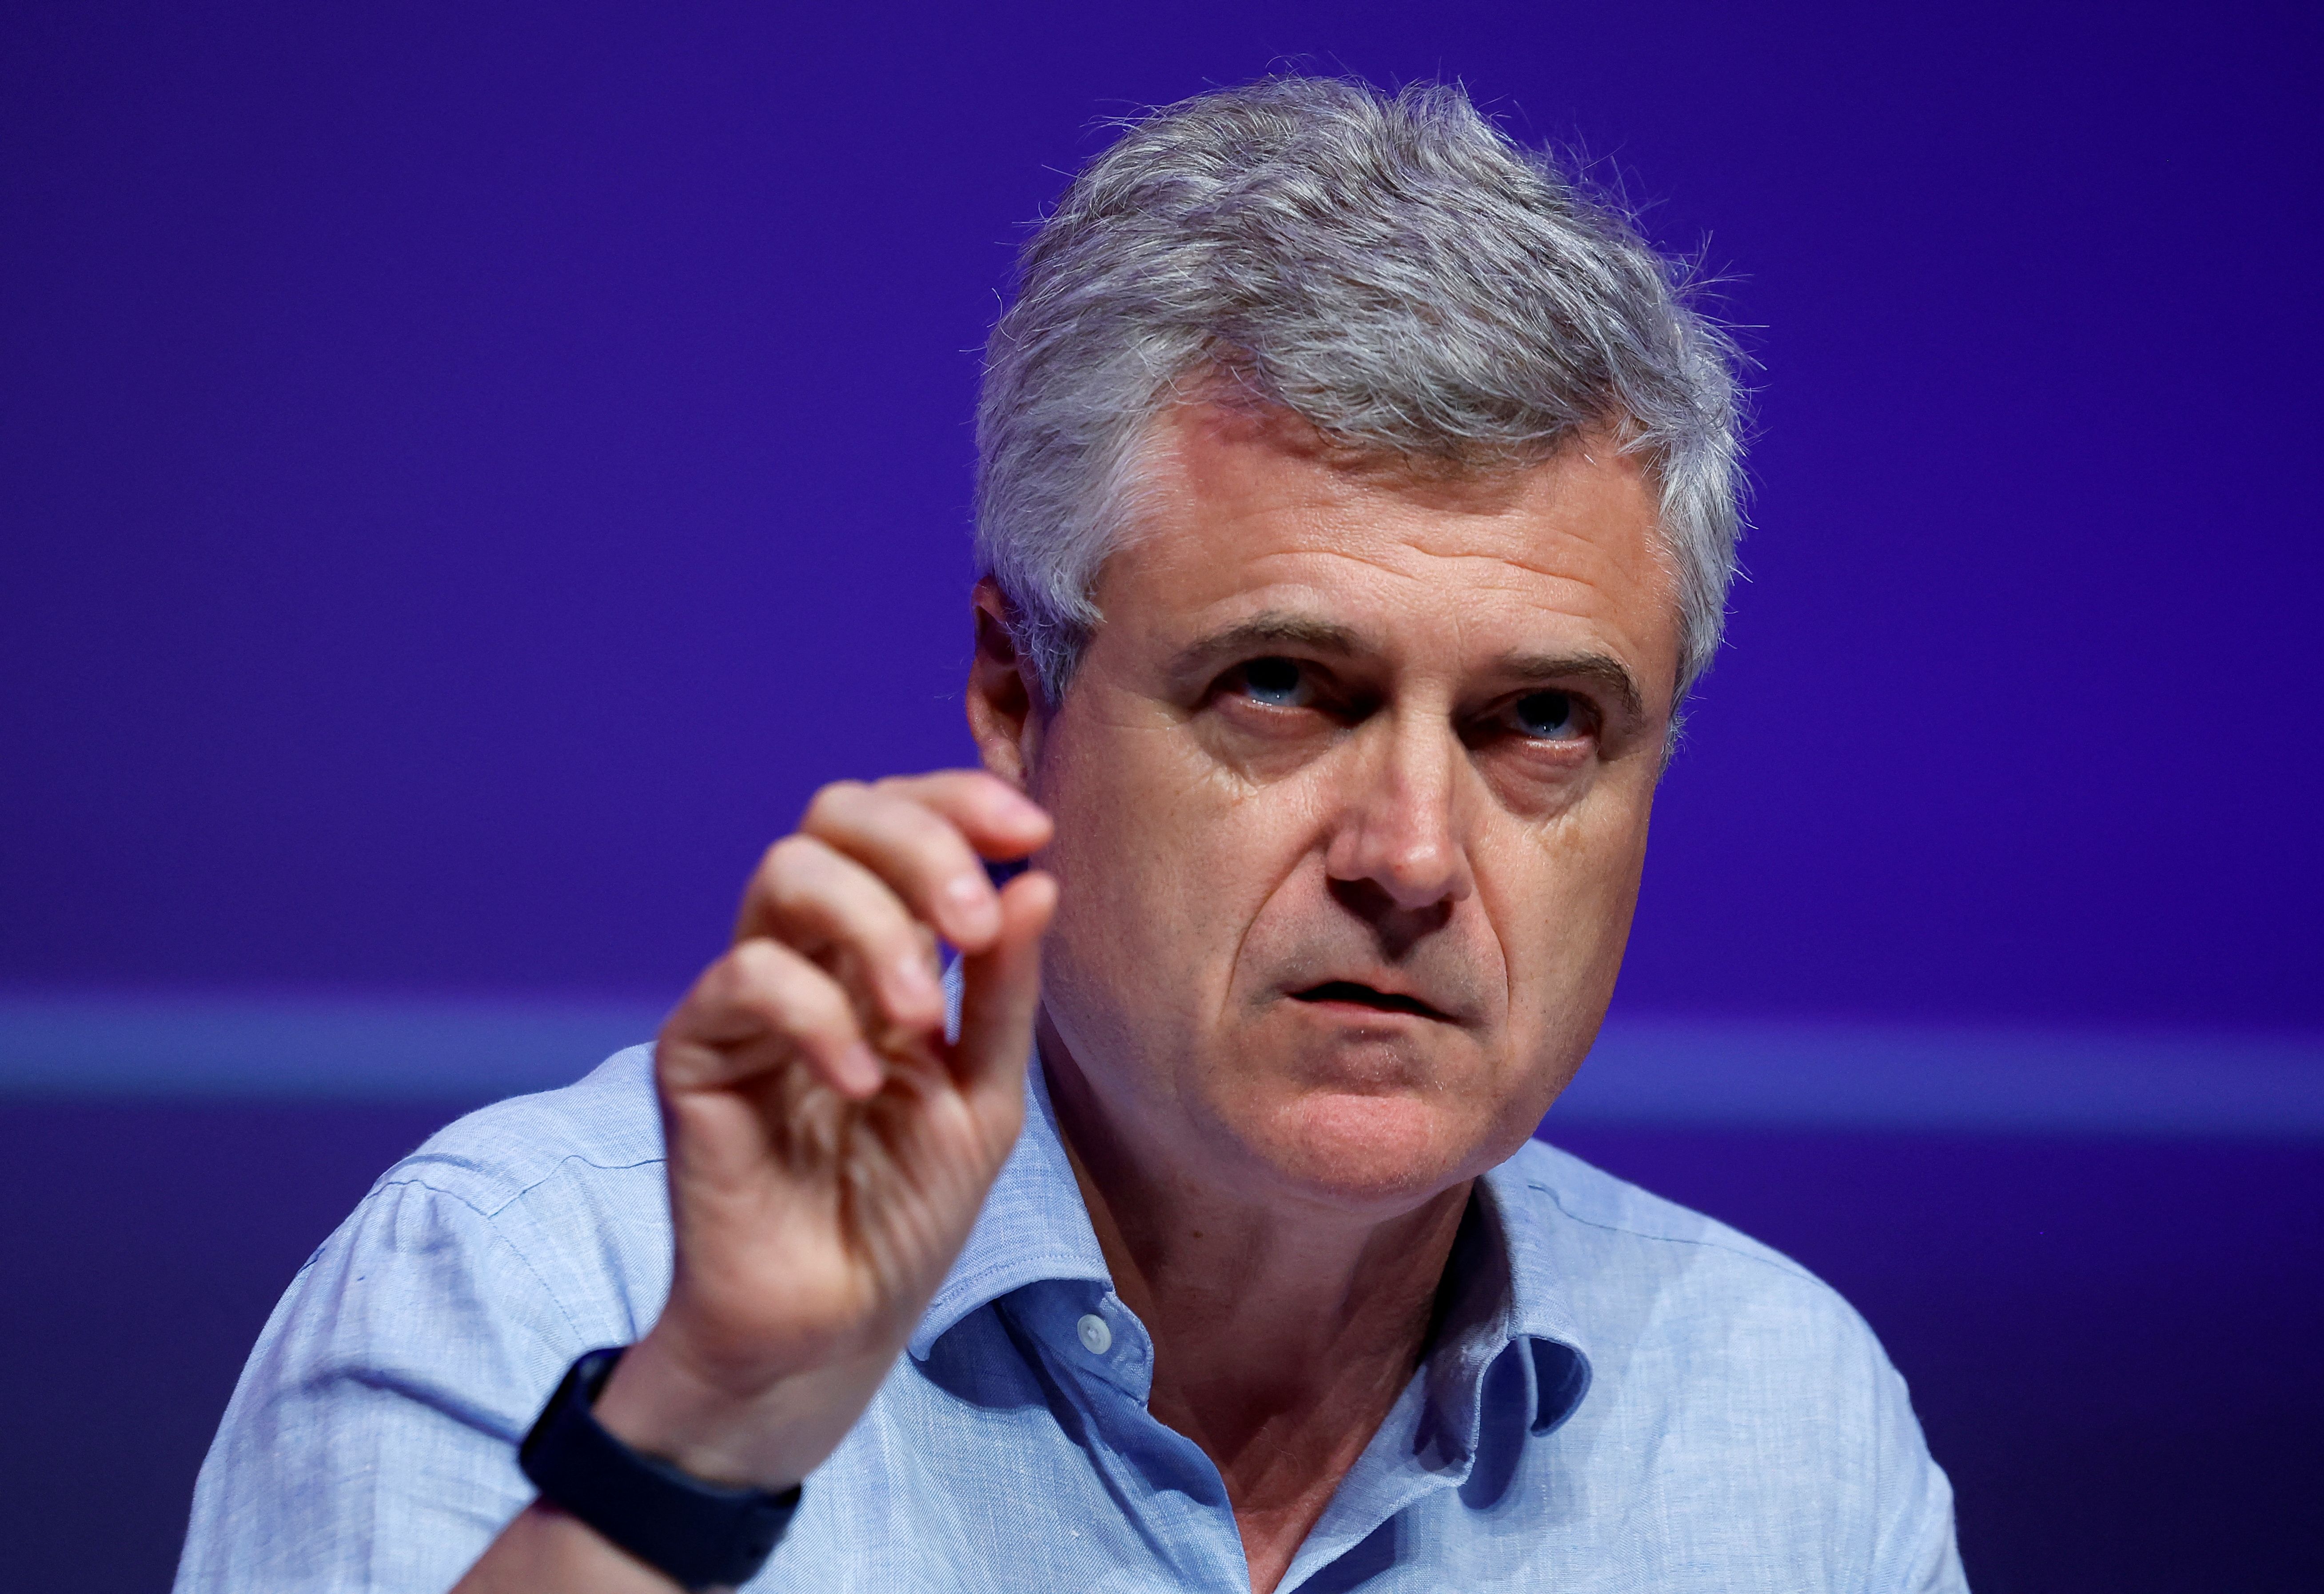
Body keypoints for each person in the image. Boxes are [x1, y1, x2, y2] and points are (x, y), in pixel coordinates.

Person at [175, 76, 1965, 1593]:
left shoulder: (1780, 1421)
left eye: (1542, 721)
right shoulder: (538, 1287)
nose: (1412, 857)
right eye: (1282, 685)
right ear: (1014, 688)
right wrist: (702, 1435)